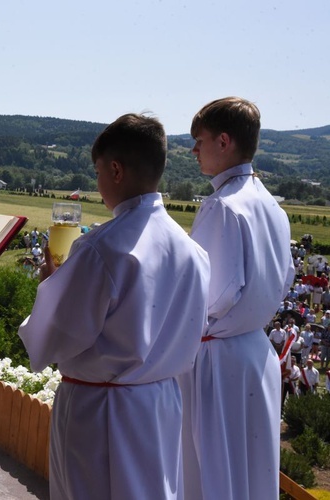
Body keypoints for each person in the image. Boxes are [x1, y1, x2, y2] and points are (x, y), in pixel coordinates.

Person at [18, 114, 210, 499]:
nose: (97, 182)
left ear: (116, 170)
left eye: (98, 171)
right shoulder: (192, 250)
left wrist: (49, 288)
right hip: (160, 404)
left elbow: (54, 340)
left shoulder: (100, 249)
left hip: (102, 410)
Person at [178, 97, 294, 500]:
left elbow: (210, 298)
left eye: (200, 140)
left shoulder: (222, 206)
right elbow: (284, 280)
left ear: (224, 141)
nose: (194, 150)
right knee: (251, 472)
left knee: (212, 473)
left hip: (218, 361)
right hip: (255, 354)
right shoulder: (272, 207)